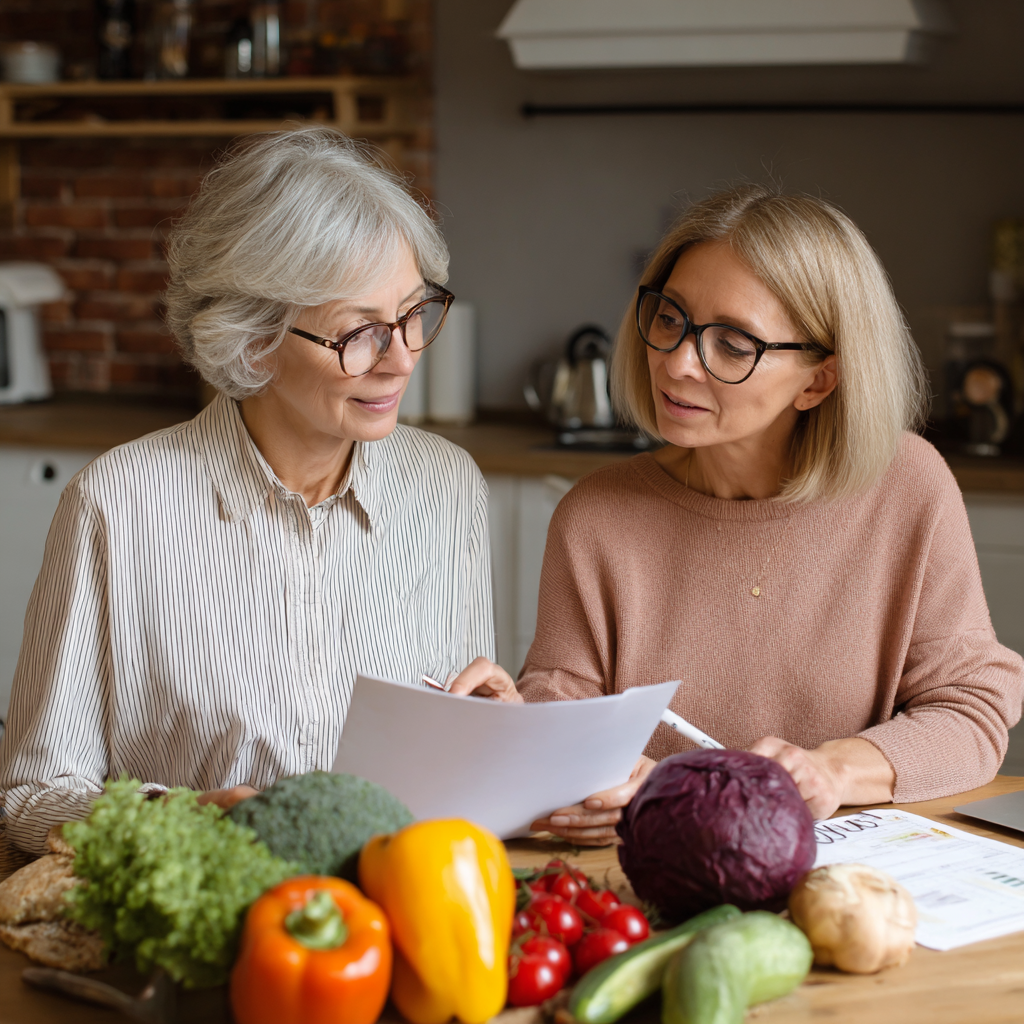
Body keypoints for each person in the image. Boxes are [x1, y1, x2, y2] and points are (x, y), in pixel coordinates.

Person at [0, 127, 504, 855]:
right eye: (358, 332)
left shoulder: (447, 486)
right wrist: (185, 819)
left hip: (398, 921)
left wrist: (502, 734)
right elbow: (31, 797)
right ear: (255, 340)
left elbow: (457, 760)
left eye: (414, 313)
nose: (402, 360)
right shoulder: (116, 505)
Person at [474, 185, 1024, 845]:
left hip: (844, 879)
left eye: (733, 345)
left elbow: (972, 714)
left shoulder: (906, 486)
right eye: (670, 318)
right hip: (654, 868)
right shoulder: (595, 517)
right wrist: (534, 742)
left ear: (818, 381)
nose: (677, 364)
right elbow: (558, 716)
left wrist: (829, 773)